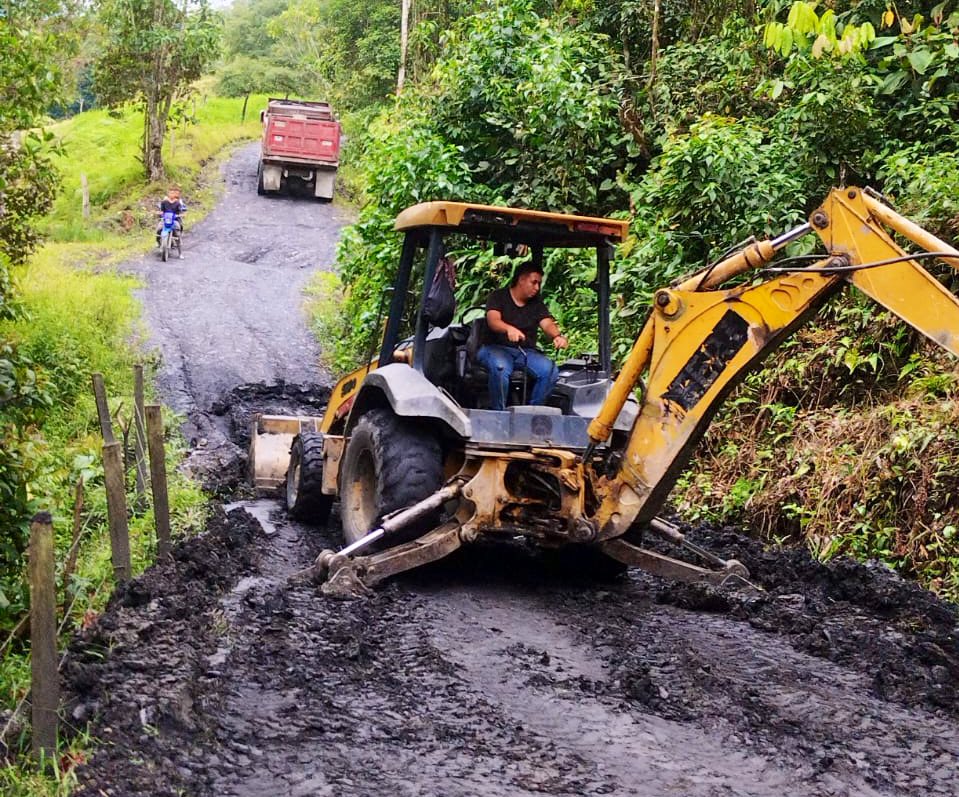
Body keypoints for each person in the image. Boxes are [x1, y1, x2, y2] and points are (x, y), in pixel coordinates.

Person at [477, 258, 568, 410]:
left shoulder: (536, 304)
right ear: (521, 279)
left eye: (539, 283)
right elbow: (493, 320)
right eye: (534, 282)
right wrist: (508, 329)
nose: (537, 287)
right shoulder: (498, 296)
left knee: (550, 370)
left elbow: (546, 323)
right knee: (500, 369)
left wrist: (557, 336)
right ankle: (499, 415)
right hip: (495, 348)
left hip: (525, 352)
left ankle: (531, 413)